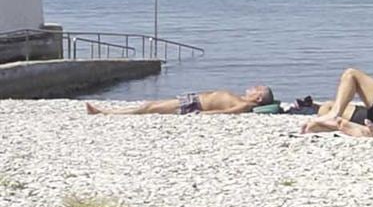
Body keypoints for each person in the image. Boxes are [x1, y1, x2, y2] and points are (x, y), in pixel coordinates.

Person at [86, 86, 275, 115]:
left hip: (194, 104)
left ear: (258, 98)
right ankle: (106, 111)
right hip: (193, 99)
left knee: (149, 107)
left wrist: (204, 114)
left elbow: (228, 112)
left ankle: (105, 113)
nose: (253, 86)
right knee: (151, 105)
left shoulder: (246, 104)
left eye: (257, 88)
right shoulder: (243, 99)